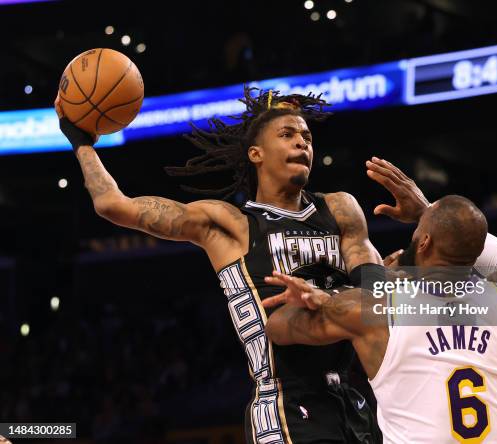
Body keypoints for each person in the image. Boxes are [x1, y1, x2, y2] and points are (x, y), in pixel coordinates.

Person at [54, 87, 384, 443]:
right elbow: (112, 205)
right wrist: (79, 140)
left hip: (352, 402)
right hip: (286, 403)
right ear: (255, 153)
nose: (302, 143)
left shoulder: (340, 209)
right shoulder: (228, 224)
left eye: (307, 136)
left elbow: (381, 302)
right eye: (286, 135)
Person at [264, 157, 497, 443]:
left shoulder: (376, 310)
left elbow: (277, 327)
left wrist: (327, 296)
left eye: (418, 229)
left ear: (423, 242)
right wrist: (427, 211)